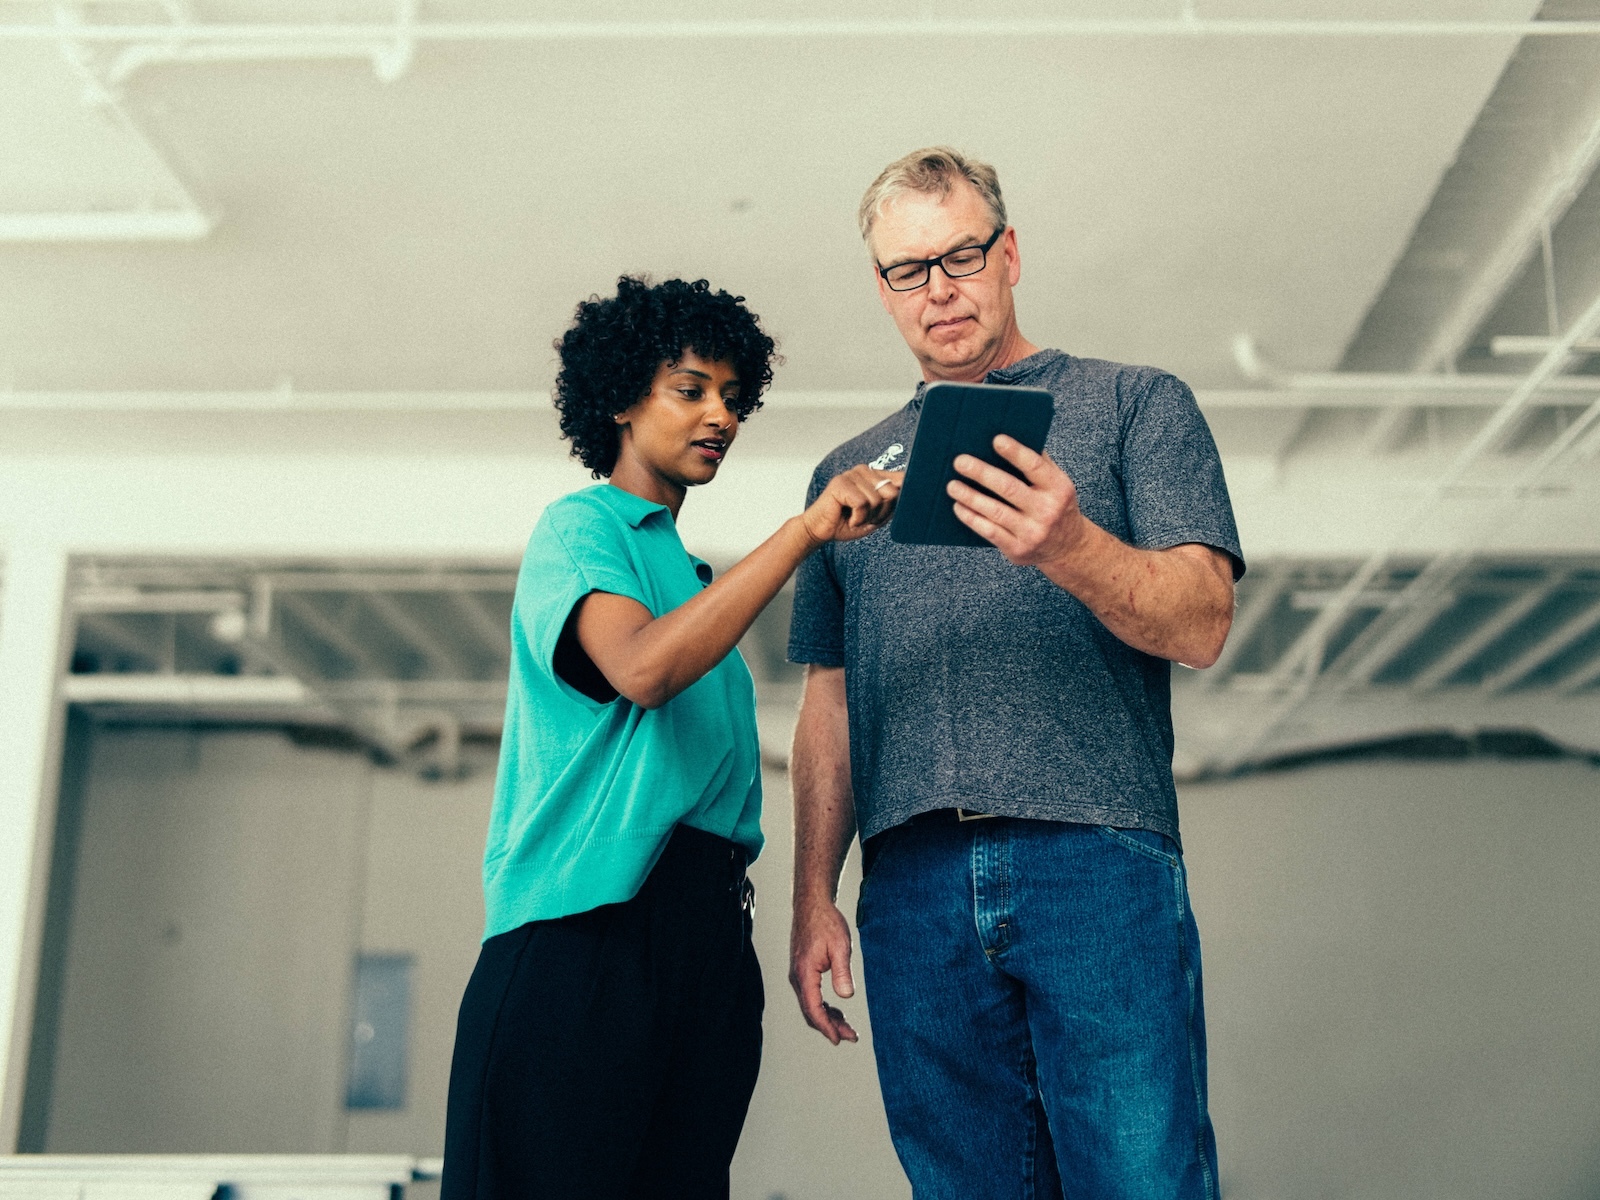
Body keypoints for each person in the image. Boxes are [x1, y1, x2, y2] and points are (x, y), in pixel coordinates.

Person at [786, 148, 1245, 1199]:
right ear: (881, 287)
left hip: (1097, 860)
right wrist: (816, 894)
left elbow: (1203, 622)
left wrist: (1070, 544)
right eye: (910, 269)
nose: (940, 290)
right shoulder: (844, 479)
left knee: (1142, 1179)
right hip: (908, 887)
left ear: (1011, 253)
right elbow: (828, 704)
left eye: (962, 255)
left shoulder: (1136, 406)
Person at [440, 275, 900, 1200]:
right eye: (690, 390)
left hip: (705, 948)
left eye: (733, 397)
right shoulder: (582, 528)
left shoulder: (690, 580)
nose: (719, 415)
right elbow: (643, 670)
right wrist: (805, 533)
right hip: (586, 943)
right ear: (620, 398)